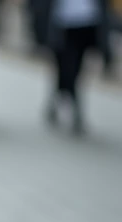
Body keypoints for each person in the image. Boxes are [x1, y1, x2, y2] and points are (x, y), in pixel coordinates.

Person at [32, 0, 110, 134]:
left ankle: (65, 103)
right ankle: (69, 104)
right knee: (65, 67)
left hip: (87, 23)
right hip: (62, 23)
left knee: (75, 68)